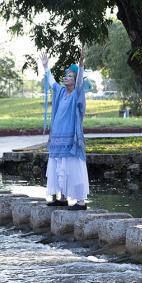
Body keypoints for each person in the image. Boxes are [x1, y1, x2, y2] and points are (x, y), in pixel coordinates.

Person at [40, 49, 89, 210]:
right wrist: (46, 67)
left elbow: (81, 80)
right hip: (58, 139)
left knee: (73, 167)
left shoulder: (77, 93)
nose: (66, 77)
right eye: (65, 75)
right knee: (59, 167)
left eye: (69, 76)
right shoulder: (61, 92)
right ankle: (62, 198)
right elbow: (52, 81)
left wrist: (81, 64)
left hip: (71, 138)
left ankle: (81, 202)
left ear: (75, 81)